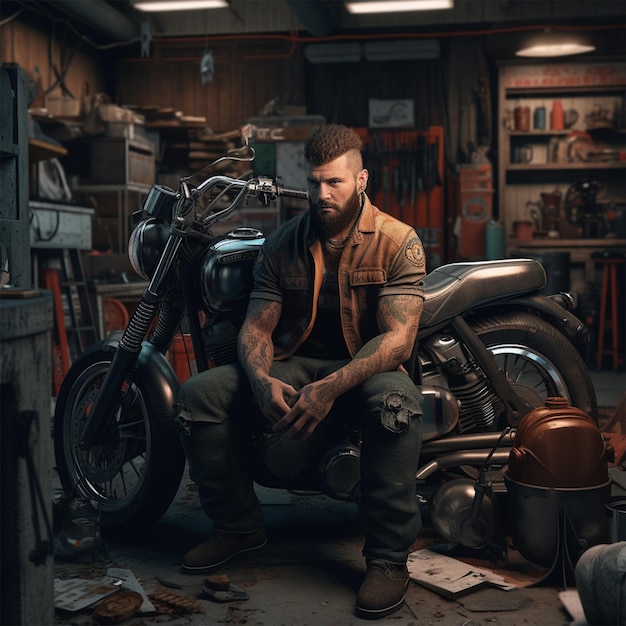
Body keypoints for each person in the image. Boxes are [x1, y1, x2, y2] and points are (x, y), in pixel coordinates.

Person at [176, 123, 426, 619]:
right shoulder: (283, 244)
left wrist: (330, 388)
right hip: (298, 364)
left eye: (334, 182)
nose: (321, 193)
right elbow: (255, 329)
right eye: (314, 182)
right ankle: (239, 528)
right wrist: (260, 379)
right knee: (198, 395)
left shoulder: (399, 241)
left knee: (396, 403)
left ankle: (388, 559)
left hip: (366, 367)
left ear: (362, 180)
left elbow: (397, 340)